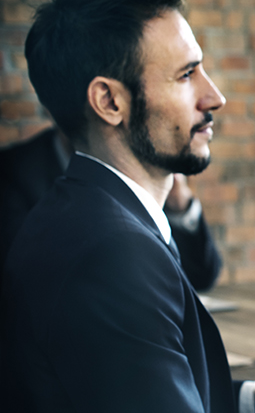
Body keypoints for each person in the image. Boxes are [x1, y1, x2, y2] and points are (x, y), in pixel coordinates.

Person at [0, 0, 255, 413]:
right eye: (186, 75)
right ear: (110, 101)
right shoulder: (104, 250)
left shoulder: (98, 214)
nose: (215, 97)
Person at [0, 125, 223, 291]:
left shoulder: (139, 162)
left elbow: (201, 277)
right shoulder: (15, 171)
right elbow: (25, 280)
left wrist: (179, 205)